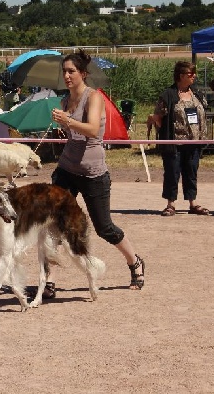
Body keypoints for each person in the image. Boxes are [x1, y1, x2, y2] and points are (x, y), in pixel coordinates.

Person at [50, 49, 145, 295]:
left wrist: (68, 120)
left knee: (105, 228)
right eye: (64, 72)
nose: (67, 76)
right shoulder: (64, 101)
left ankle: (135, 262)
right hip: (66, 170)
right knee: (53, 223)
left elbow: (92, 130)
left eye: (71, 71)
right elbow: (74, 134)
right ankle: (47, 280)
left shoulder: (94, 98)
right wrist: (63, 125)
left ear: (83, 73)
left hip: (93, 173)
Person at [152, 61, 210, 217]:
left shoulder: (196, 93)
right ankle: (170, 204)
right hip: (174, 142)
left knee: (191, 171)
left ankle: (192, 203)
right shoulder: (168, 95)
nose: (194, 76)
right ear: (181, 76)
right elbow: (158, 117)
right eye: (191, 74)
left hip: (194, 142)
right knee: (172, 172)